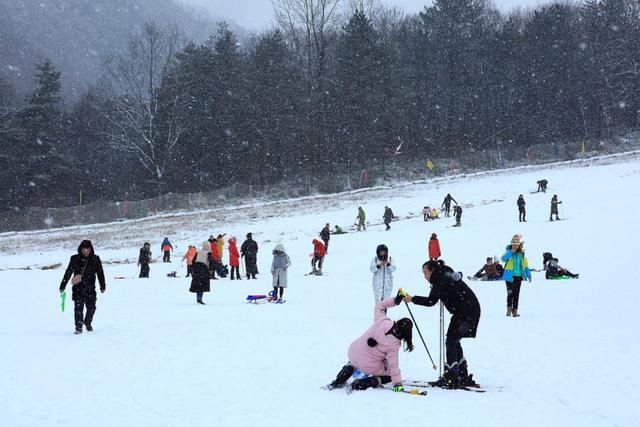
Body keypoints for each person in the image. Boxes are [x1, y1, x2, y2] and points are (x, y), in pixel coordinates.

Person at [403, 259, 480, 388]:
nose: (425, 276)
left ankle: (453, 377)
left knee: (451, 341)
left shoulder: (438, 278)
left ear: (432, 270)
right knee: (454, 341)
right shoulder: (444, 272)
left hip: (465, 311)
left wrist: (412, 299)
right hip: (470, 309)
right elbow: (450, 288)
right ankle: (461, 374)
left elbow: (430, 301)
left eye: (425, 273)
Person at [325, 294, 413, 392]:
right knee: (391, 374)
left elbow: (379, 306)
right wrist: (397, 383)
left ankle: (340, 379)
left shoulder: (383, 320)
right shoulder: (393, 345)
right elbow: (393, 366)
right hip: (367, 365)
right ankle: (366, 382)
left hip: (353, 352)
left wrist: (395, 301)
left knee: (359, 359)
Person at [59, 240, 106, 334]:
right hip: (78, 288)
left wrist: (102, 285)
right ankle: (78, 327)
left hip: (90, 288)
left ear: (91, 249)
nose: (86, 251)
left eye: (88, 249)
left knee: (92, 308)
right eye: (84, 249)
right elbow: (68, 272)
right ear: (80, 249)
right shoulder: (74, 258)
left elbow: (100, 273)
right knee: (78, 309)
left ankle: (87, 322)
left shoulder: (95, 259)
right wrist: (63, 285)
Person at [501, 234, 532, 317]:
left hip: (519, 276)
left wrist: (528, 274)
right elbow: (503, 259)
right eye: (514, 244)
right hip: (509, 276)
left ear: (519, 245)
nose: (515, 246)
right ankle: (508, 309)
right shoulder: (508, 251)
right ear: (511, 244)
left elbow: (525, 265)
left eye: (517, 245)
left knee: (516, 294)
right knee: (510, 293)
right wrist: (511, 252)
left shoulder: (522, 254)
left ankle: (515, 310)